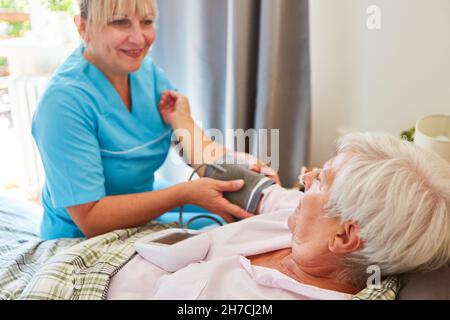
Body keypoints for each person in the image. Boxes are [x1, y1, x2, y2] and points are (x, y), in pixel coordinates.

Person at [32, 0, 279, 240]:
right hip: (80, 236)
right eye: (120, 22)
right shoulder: (63, 102)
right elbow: (91, 218)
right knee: (227, 238)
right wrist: (184, 194)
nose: (140, 39)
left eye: (147, 21)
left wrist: (243, 166)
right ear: (83, 27)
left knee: (244, 219)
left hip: (141, 207)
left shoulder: (146, 74)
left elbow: (201, 152)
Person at [108, 132, 450, 299]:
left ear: (345, 236)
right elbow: (250, 187)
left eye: (321, 181)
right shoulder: (302, 220)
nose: (305, 178)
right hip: (110, 253)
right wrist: (183, 126)